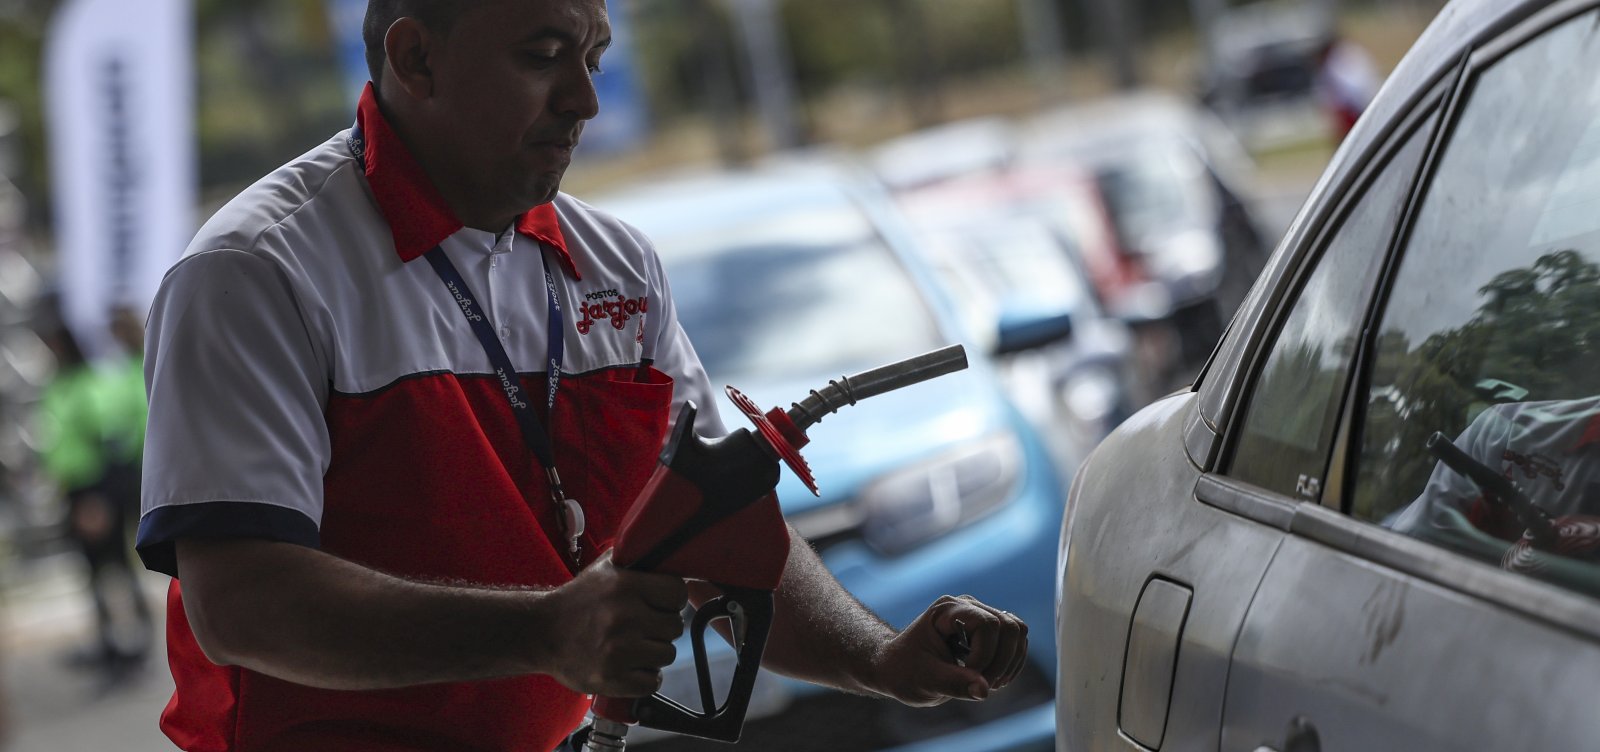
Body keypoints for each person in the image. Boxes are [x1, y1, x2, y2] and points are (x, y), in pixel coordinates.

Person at [134, 1, 1028, 750]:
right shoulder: (255, 274)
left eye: (596, 56)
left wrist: (878, 658)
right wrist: (547, 631)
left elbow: (717, 530)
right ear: (416, 57)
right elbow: (243, 603)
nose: (586, 100)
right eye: (544, 56)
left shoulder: (619, 268)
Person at [36, 318, 151, 689]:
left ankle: (136, 646)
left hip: (93, 492)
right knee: (94, 574)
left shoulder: (89, 387)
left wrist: (97, 500)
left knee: (115, 569)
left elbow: (105, 445)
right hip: (75, 491)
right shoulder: (61, 386)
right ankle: (111, 647)